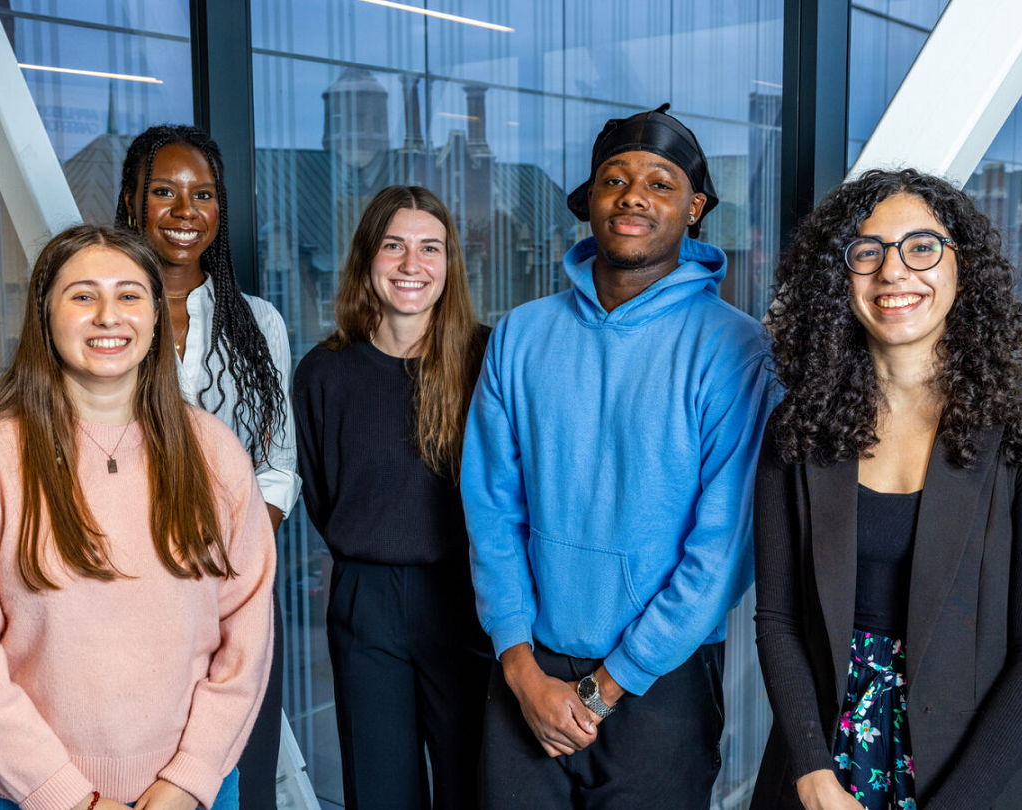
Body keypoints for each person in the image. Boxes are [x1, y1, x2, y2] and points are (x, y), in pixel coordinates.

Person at [460, 105, 780, 809]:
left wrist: (608, 685)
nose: (633, 195)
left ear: (695, 207)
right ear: (592, 201)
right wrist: (518, 664)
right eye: (615, 179)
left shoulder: (734, 349)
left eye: (660, 184)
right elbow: (491, 508)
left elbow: (723, 547)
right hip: (527, 668)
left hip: (661, 681)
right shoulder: (520, 335)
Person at [0, 225, 276, 810]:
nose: (109, 315)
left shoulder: (216, 455)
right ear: (45, 314)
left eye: (130, 295)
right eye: (83, 296)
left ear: (157, 317)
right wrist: (68, 798)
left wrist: (190, 778)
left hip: (190, 792)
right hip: (24, 793)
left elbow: (248, 636)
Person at [751, 168, 1022, 810]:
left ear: (962, 266)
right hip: (824, 771)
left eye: (921, 246)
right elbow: (777, 619)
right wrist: (810, 772)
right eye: (867, 252)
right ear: (840, 278)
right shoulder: (799, 424)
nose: (894, 271)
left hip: (979, 776)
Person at [292, 185, 493, 810]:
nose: (412, 265)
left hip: (470, 597)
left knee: (474, 785)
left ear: (450, 264)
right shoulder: (324, 372)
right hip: (365, 600)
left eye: (429, 248)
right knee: (379, 792)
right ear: (367, 258)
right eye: (394, 246)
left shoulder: (487, 359)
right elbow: (324, 493)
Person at [116, 125, 298, 809]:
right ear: (133, 202)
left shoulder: (259, 322)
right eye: (164, 191)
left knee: (244, 778)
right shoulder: (103, 317)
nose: (185, 210)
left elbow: (279, 463)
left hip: (237, 596)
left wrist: (241, 550)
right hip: (123, 597)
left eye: (204, 194)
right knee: (143, 775)